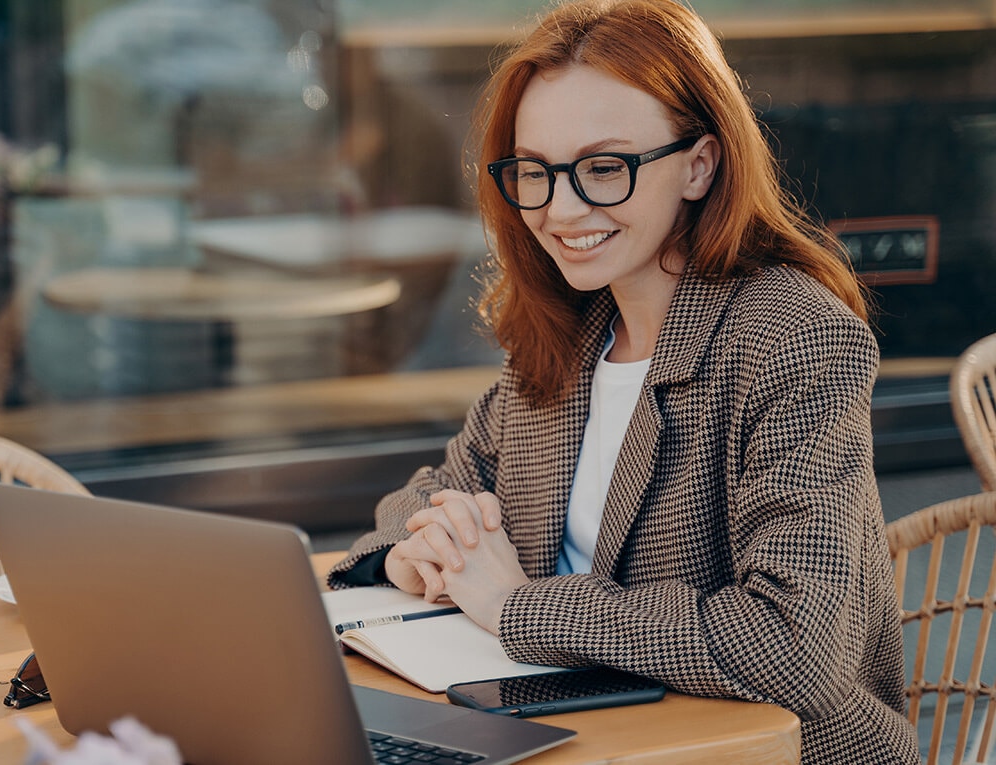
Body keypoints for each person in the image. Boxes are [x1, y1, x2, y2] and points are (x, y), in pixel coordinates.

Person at [327, 1, 918, 762]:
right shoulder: (567, 330)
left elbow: (796, 642)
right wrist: (416, 555)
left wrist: (516, 605)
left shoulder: (794, 339)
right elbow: (432, 494)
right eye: (535, 171)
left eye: (604, 168)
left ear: (699, 164)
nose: (561, 208)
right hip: (574, 738)